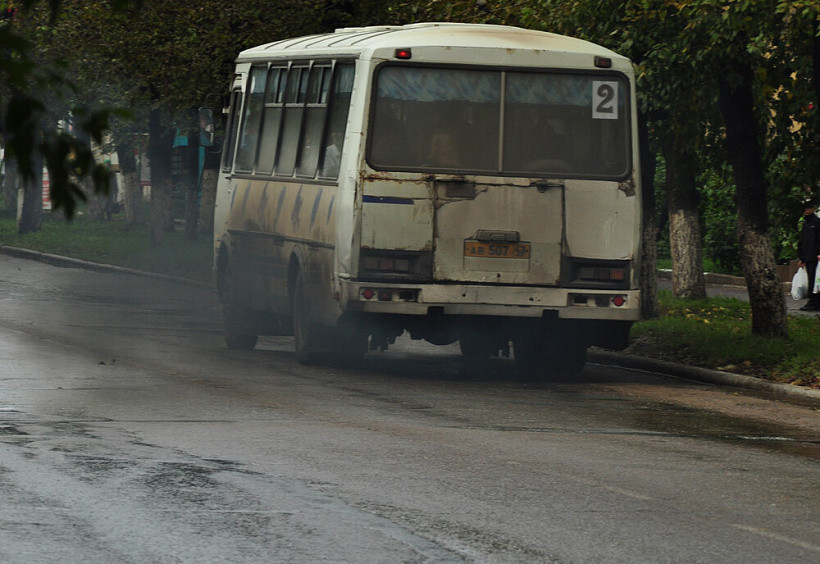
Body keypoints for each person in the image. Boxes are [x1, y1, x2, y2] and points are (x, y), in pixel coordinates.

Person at [798, 196, 820, 311]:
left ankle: (814, 301)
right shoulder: (805, 223)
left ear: (812, 209)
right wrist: (801, 257)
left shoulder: (816, 222)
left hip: (815, 256)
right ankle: (814, 301)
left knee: (815, 280)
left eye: (808, 208)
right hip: (807, 256)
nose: (806, 211)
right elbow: (803, 241)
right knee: (811, 279)